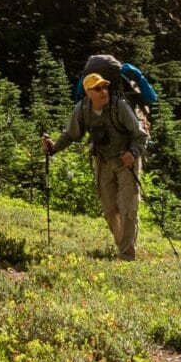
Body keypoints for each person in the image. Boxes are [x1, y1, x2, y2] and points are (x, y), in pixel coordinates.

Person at [43, 71, 148, 260]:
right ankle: (121, 244)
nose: (103, 91)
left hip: (126, 161)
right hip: (103, 161)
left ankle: (126, 256)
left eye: (105, 87)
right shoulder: (82, 110)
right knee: (109, 210)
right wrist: (53, 149)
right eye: (98, 88)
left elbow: (140, 135)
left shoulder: (120, 107)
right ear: (88, 93)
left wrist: (132, 153)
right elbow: (71, 135)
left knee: (127, 208)